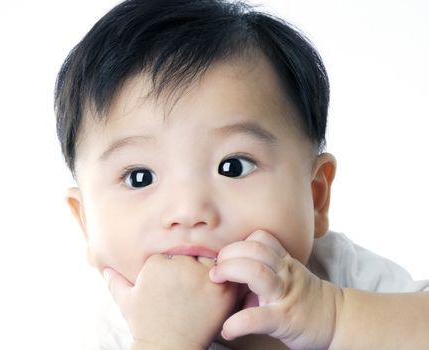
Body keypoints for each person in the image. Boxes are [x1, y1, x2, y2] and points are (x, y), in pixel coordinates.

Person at [53, 0, 429, 349]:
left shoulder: (338, 276)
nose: (187, 211)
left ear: (314, 197)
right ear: (86, 223)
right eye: (139, 177)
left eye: (233, 167)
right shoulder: (110, 331)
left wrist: (334, 315)